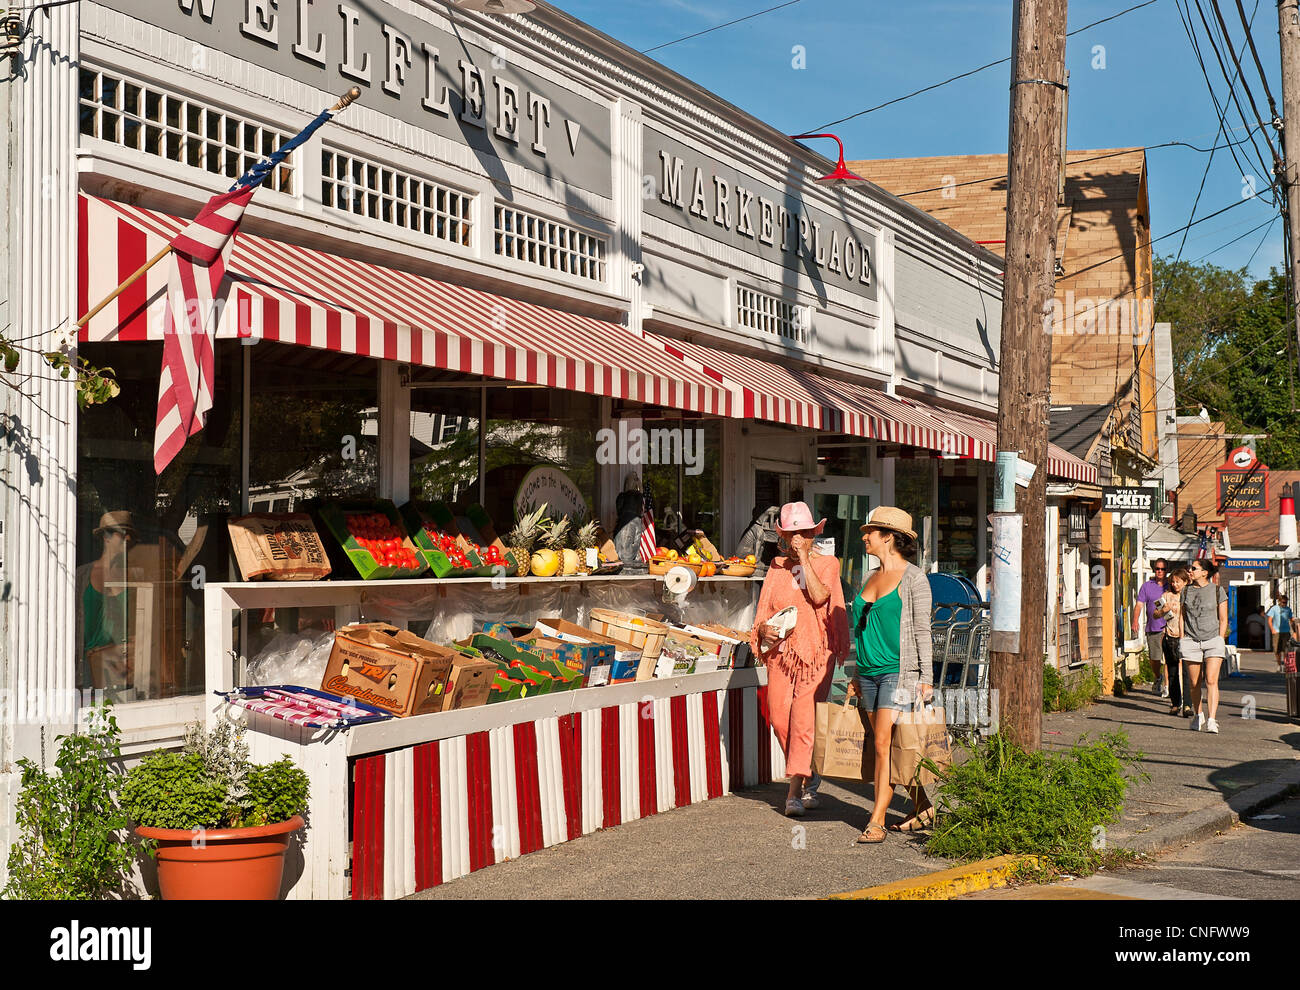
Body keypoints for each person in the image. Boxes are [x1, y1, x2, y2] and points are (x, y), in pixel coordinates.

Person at [750, 501, 849, 818]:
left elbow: (820, 597)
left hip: (817, 653)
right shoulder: (776, 568)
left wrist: (805, 559)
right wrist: (764, 630)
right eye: (790, 534)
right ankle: (810, 773)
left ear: (812, 534)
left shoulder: (828, 564)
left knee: (803, 720)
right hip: (782, 654)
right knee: (780, 719)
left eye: (802, 533)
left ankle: (794, 793)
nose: (795, 540)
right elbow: (764, 611)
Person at [845, 506, 934, 844]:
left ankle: (877, 820)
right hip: (868, 673)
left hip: (900, 673)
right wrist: (855, 672)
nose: (865, 536)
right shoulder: (871, 576)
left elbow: (923, 631)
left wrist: (926, 678)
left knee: (883, 744)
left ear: (889, 538)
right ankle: (923, 805)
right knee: (890, 744)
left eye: (871, 532)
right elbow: (864, 630)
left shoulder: (914, 579)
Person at [75, 511, 137, 697]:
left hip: (121, 666)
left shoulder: (133, 577)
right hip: (85, 667)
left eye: (129, 534)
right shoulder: (82, 576)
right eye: (121, 533)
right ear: (106, 537)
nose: (128, 538)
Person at [1181, 558, 1229, 733]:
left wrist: (1220, 638)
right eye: (1190, 568)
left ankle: (1212, 719)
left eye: (1193, 568)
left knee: (1211, 680)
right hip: (1191, 640)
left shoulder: (1217, 590)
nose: (1190, 571)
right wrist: (1182, 637)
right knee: (1194, 683)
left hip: (1213, 640)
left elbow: (1223, 618)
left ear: (1204, 572)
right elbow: (1182, 616)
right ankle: (1198, 714)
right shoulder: (1185, 592)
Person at [1153, 567, 1188, 716]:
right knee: (1172, 671)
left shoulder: (1190, 595)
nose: (1175, 585)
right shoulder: (1166, 595)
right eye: (1172, 582)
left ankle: (1188, 705)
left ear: (1186, 582)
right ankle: (1175, 703)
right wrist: (1162, 611)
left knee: (1188, 672)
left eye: (1178, 582)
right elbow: (1155, 614)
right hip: (1169, 636)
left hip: (1187, 637)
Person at [1136, 558, 1169, 698]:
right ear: (1154, 570)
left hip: (1169, 627)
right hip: (1153, 627)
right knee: (1154, 659)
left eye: (1162, 569)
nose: (1160, 571)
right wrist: (1134, 621)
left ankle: (1167, 686)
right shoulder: (1147, 586)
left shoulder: (1171, 585)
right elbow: (1139, 605)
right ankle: (1157, 677)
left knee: (1168, 659)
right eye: (1157, 569)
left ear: (1166, 570)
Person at [1267, 596, 1293, 672]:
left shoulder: (1288, 609)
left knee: (1286, 650)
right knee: (1277, 650)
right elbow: (1269, 620)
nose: (1285, 604)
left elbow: (1291, 619)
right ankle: (1279, 665)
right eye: (1283, 602)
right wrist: (1272, 629)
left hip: (1286, 632)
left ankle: (1285, 665)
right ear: (1279, 602)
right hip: (1277, 632)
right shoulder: (1274, 608)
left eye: (1286, 602)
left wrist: (1294, 631)